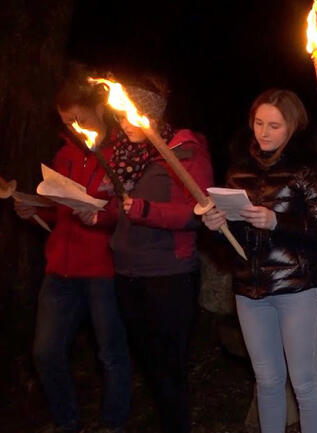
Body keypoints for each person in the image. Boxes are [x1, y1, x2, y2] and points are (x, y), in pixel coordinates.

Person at [201, 89, 317, 433]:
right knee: (267, 380)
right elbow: (234, 242)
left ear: (292, 127)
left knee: (304, 382)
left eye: (274, 125)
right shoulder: (237, 172)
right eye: (259, 123)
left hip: (298, 288)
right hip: (250, 290)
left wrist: (277, 222)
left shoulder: (307, 171)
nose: (264, 132)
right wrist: (218, 228)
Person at [13, 71, 131, 433]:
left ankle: (112, 423)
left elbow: (131, 214)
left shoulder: (121, 153)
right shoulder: (65, 154)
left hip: (102, 269)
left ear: (99, 109)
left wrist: (99, 214)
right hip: (60, 269)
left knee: (110, 353)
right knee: (45, 352)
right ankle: (67, 422)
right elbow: (58, 207)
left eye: (80, 119)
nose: (75, 128)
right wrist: (35, 210)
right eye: (67, 122)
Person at [100, 75, 213, 433]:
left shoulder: (184, 152)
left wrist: (143, 210)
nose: (123, 124)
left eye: (130, 116)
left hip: (169, 276)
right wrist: (97, 211)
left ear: (150, 115)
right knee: (148, 366)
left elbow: (196, 214)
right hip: (128, 274)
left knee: (170, 370)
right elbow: (122, 209)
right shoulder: (125, 154)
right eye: (119, 117)